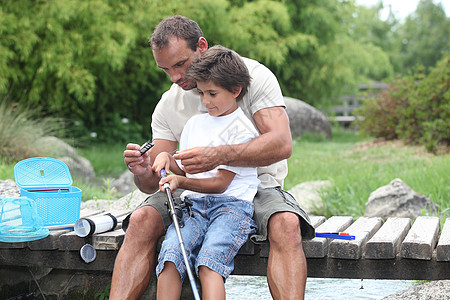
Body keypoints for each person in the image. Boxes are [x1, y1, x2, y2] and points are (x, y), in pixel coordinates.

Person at [110, 15, 315, 300]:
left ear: (201, 46)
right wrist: (142, 169)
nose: (175, 77)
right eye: (165, 69)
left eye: (180, 64)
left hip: (257, 188)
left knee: (287, 224)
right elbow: (155, 179)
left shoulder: (250, 76)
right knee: (142, 218)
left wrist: (216, 156)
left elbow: (281, 144)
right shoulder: (169, 103)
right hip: (190, 194)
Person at [154, 45, 259, 300]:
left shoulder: (242, 129)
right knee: (170, 254)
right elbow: (184, 167)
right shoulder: (195, 124)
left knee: (209, 261)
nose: (205, 101)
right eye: (201, 93)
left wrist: (180, 181)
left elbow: (220, 184)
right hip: (195, 208)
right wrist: (166, 159)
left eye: (212, 93)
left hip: (231, 209)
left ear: (235, 90)